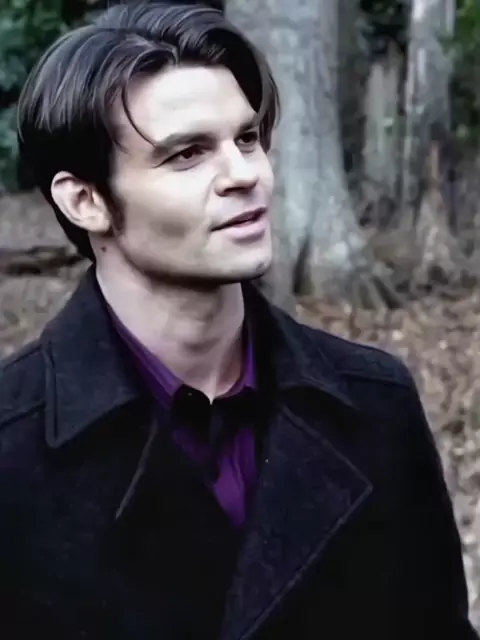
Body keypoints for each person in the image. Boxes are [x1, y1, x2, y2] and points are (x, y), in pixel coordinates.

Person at [0, 2, 477, 639]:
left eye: (247, 139)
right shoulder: (11, 448)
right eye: (188, 154)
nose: (245, 175)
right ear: (86, 200)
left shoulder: (376, 405)